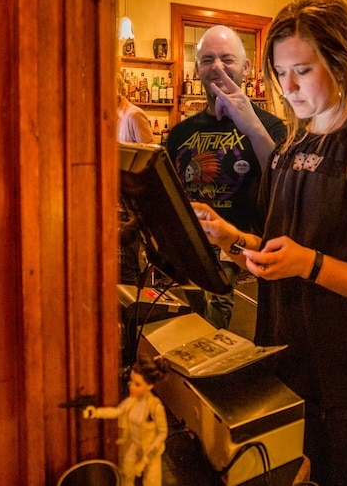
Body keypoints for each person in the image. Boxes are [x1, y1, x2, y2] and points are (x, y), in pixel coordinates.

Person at [192, 0, 347, 486]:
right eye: (281, 73)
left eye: (302, 69)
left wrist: (311, 265)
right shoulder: (289, 150)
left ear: (340, 63)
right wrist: (232, 239)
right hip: (290, 372)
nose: (289, 87)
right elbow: (283, 250)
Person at [165, 25, 286, 329]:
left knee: (219, 307)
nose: (217, 67)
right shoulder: (181, 132)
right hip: (189, 241)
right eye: (207, 60)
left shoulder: (271, 129)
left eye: (227, 59)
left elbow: (283, 187)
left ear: (246, 67)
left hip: (241, 243)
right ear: (197, 69)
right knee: (189, 313)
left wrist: (252, 127)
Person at [83, 356, 168, 486]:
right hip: (134, 444)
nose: (131, 387)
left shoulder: (155, 407)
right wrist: (96, 412)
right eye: (131, 381)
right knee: (126, 474)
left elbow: (162, 434)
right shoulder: (132, 401)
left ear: (149, 386)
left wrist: (145, 461)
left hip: (150, 450)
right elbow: (117, 412)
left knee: (152, 482)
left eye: (137, 384)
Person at [117, 72, 154, 284]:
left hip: (131, 207)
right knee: (120, 266)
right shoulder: (114, 116)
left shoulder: (134, 115)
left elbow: (149, 161)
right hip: (118, 203)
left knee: (128, 266)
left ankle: (136, 313)